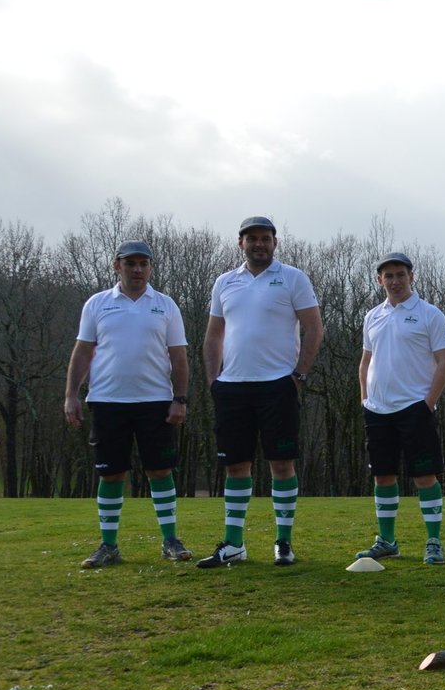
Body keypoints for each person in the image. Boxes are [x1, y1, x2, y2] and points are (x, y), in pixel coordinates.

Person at [197, 216, 324, 568]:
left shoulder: (293, 278)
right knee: (236, 465)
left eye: (265, 238)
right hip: (233, 388)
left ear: (275, 242)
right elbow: (213, 336)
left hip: (277, 386)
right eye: (252, 238)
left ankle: (283, 543)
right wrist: (214, 381)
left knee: (281, 464)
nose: (259, 244)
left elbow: (314, 328)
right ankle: (234, 545)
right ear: (241, 243)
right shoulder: (225, 282)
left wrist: (298, 374)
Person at [64, 240, 192, 567]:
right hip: (107, 402)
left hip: (156, 403)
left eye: (143, 264)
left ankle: (170, 540)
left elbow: (179, 357)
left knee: (160, 471)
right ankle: (108, 546)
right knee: (111, 475)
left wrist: (179, 399)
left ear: (150, 267)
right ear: (116, 265)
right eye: (130, 263)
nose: (137, 269)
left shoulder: (166, 305)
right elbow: (82, 352)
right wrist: (71, 395)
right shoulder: (97, 304)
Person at [353, 252, 445, 565]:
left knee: (425, 476)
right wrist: (365, 398)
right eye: (388, 276)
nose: (394, 281)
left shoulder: (430, 314)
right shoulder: (373, 316)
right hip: (377, 411)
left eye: (400, 274)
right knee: (383, 476)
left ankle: (434, 542)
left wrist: (428, 403)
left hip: (415, 409)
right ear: (379, 280)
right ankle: (387, 541)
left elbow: (444, 362)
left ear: (412, 277)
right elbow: (366, 361)